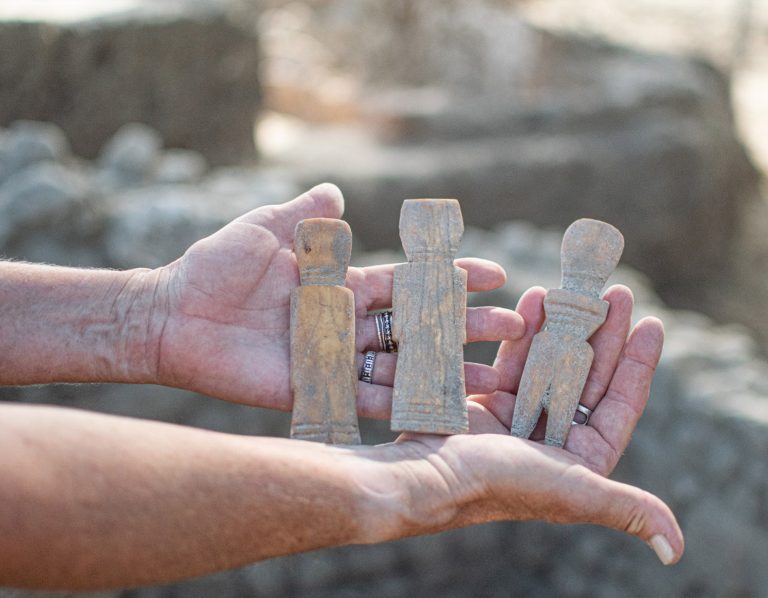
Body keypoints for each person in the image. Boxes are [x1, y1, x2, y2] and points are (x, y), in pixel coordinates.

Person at [0, 183, 683, 590]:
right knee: (341, 389)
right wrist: (415, 483)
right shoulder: (366, 291)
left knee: (444, 378)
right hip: (384, 389)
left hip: (453, 378)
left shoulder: (433, 283)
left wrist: (149, 315)